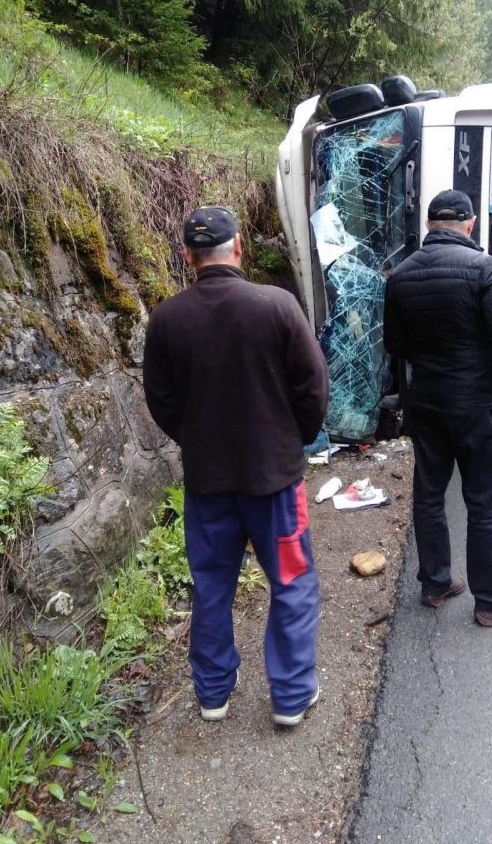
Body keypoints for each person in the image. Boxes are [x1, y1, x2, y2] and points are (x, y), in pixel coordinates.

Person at [143, 206, 329, 725]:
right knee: (291, 582)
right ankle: (291, 697)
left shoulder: (166, 318)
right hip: (275, 484)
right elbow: (313, 389)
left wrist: (196, 439)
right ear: (239, 247)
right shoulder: (278, 306)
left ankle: (212, 694)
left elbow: (160, 400)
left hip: (208, 485)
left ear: (187, 256)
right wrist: (296, 441)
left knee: (212, 586)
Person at [383, 189, 492, 627]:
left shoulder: (401, 276)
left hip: (427, 403)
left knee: (430, 495)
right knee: (487, 501)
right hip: (475, 405)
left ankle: (435, 583)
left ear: (430, 225)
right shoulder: (485, 269)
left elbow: (396, 346)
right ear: (469, 224)